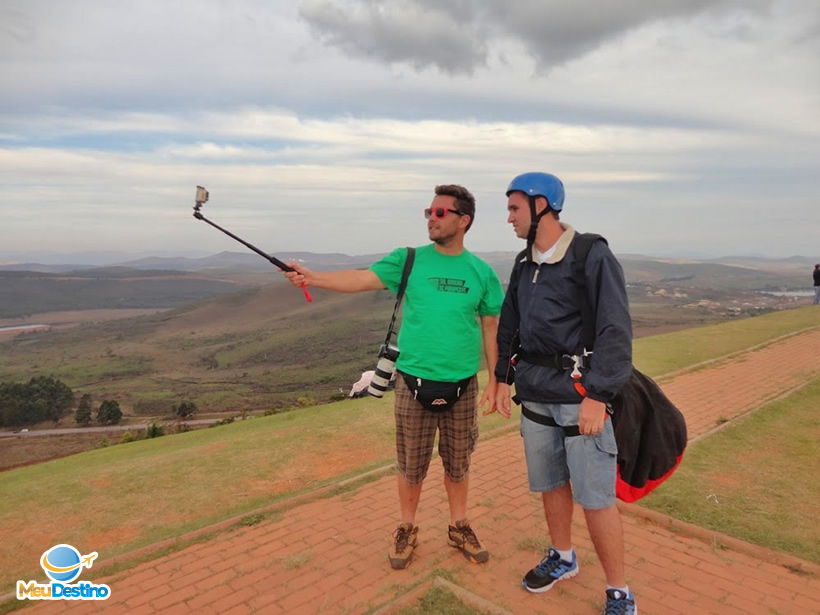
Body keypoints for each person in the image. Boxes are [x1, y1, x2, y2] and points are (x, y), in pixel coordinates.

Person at [283, 184, 504, 570]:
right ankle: (407, 528)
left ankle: (459, 525)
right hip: (412, 381)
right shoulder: (409, 259)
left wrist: (496, 381)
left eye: (439, 213)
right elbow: (360, 278)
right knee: (411, 462)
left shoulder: (482, 273)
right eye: (428, 212)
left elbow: (490, 329)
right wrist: (313, 278)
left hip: (463, 384)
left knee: (458, 462)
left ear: (463, 220)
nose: (430, 219)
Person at [492, 172, 637, 615]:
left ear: (542, 206)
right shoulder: (524, 262)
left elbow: (615, 327)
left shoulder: (590, 254)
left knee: (594, 496)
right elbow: (510, 323)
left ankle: (618, 590)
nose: (509, 217)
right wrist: (501, 376)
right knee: (551, 484)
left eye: (515, 208)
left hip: (580, 398)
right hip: (535, 394)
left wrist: (599, 393)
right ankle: (563, 556)